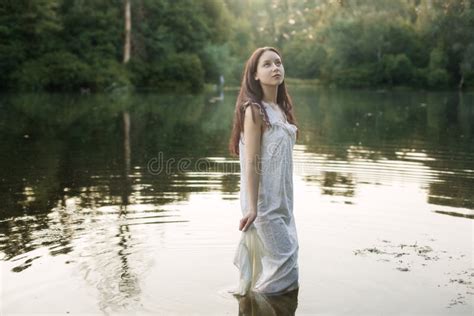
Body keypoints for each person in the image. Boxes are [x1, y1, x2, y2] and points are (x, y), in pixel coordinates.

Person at [228, 47, 299, 296]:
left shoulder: (281, 109)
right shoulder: (254, 110)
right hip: (264, 204)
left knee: (285, 270)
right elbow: (251, 162)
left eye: (278, 62)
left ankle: (254, 306)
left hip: (283, 202)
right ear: (255, 75)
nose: (275, 68)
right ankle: (256, 307)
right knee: (285, 273)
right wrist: (253, 208)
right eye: (267, 64)